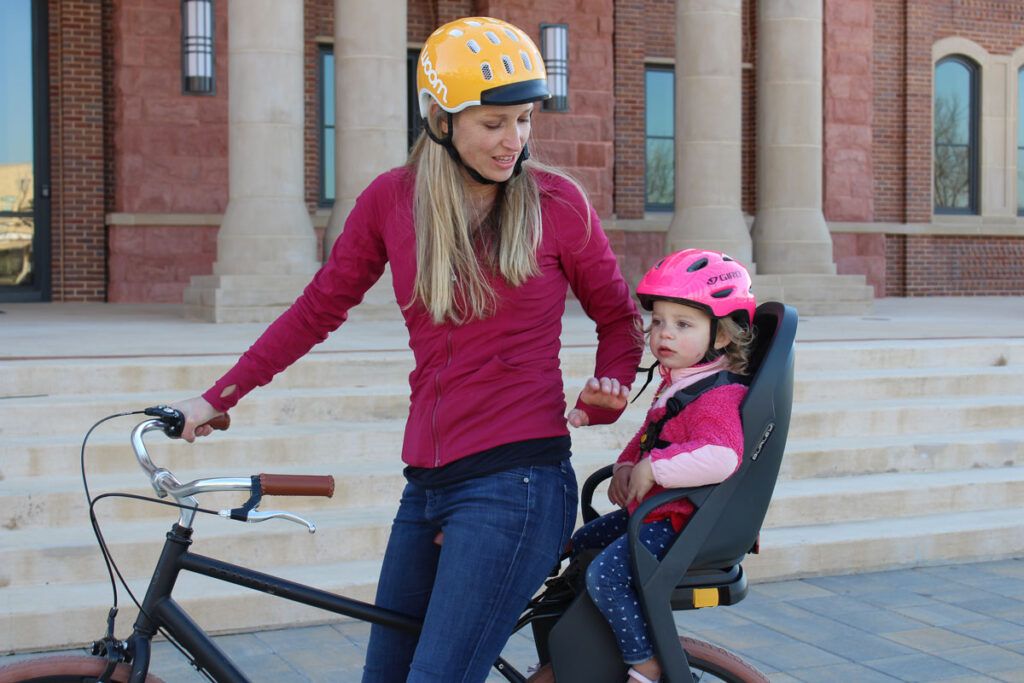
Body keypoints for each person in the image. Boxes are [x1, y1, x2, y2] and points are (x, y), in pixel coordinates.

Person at [171, 16, 643, 683]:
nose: (514, 141)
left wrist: (609, 389)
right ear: (440, 119)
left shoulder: (556, 204)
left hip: (519, 482)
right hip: (427, 487)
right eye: (494, 124)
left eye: (525, 121)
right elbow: (316, 309)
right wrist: (217, 397)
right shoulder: (392, 201)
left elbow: (620, 319)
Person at [568, 249, 756, 683]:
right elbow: (652, 433)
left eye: (683, 324)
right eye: (658, 322)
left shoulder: (717, 397)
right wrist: (627, 464)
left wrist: (654, 468)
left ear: (723, 336)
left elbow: (722, 455)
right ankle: (579, 643)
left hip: (680, 521)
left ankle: (644, 662)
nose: (663, 334)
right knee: (581, 543)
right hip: (657, 512)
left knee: (607, 576)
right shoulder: (683, 382)